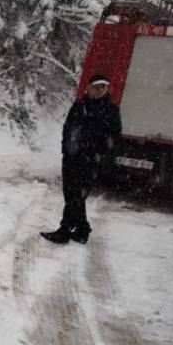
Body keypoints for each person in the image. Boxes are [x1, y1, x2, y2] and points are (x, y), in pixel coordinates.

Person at [41, 74, 121, 244]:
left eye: (103, 87)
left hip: (90, 159)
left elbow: (114, 136)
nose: (99, 90)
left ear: (107, 89)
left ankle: (65, 230)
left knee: (77, 195)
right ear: (88, 87)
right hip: (71, 157)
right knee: (71, 195)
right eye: (96, 86)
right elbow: (68, 128)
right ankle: (82, 230)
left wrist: (100, 152)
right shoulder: (79, 106)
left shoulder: (111, 110)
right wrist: (66, 148)